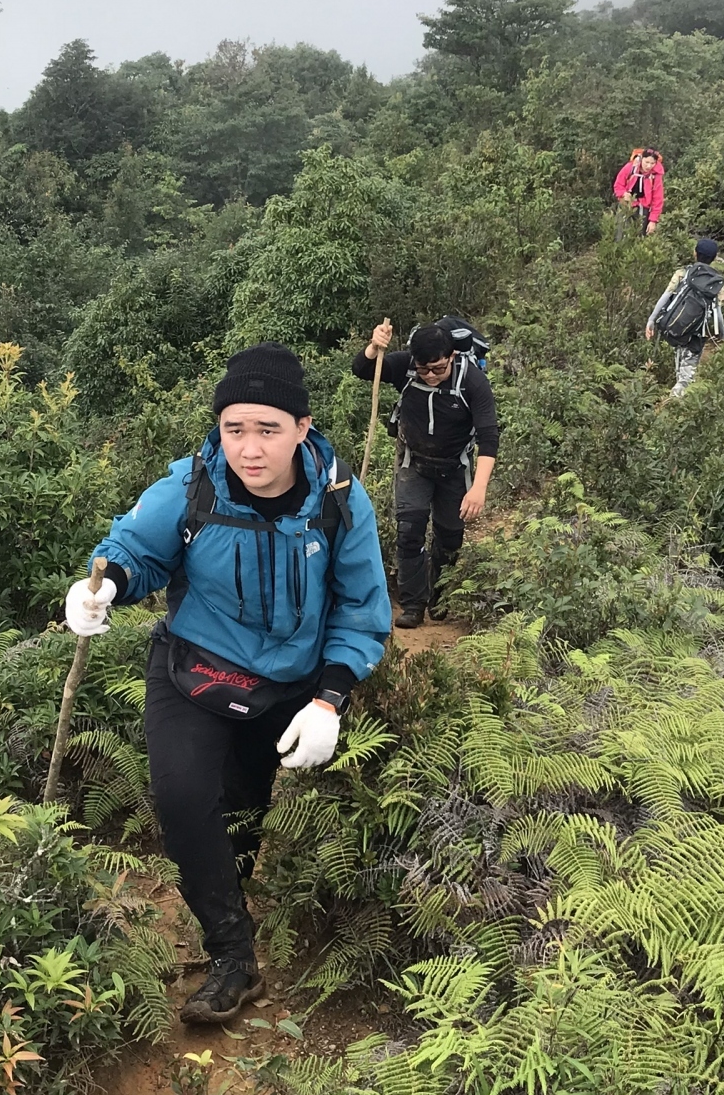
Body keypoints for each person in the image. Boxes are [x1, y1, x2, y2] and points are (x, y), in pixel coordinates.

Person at [61, 343, 391, 1025]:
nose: (248, 447)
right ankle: (232, 959)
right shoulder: (192, 485)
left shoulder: (338, 501)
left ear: (302, 428)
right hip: (195, 667)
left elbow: (362, 609)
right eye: (234, 428)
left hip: (286, 684)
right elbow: (135, 550)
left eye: (267, 429)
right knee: (184, 799)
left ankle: (227, 893)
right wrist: (103, 590)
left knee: (244, 812)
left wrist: (330, 698)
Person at [353, 319, 499, 629]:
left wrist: (479, 488)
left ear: (452, 357)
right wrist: (374, 346)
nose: (430, 376)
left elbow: (489, 436)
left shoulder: (472, 381)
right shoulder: (406, 367)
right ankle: (413, 604)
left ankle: (439, 597)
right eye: (424, 369)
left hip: (454, 468)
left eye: (438, 369)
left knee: (449, 538)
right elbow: (362, 369)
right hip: (413, 463)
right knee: (409, 531)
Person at [646, 238, 724, 396]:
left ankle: (676, 400)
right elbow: (718, 315)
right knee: (686, 376)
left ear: (695, 254)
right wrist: (723, 333)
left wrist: (651, 319)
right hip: (697, 335)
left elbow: (666, 296)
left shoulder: (683, 273)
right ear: (714, 257)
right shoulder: (716, 283)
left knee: (681, 368)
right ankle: (677, 401)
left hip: (676, 328)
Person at [612, 148, 664, 235]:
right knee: (621, 235)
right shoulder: (630, 167)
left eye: (652, 163)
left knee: (640, 236)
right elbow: (618, 185)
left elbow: (658, 199)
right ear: (641, 159)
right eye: (646, 162)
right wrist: (623, 193)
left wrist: (653, 220)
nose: (649, 166)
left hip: (644, 208)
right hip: (626, 204)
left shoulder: (656, 175)